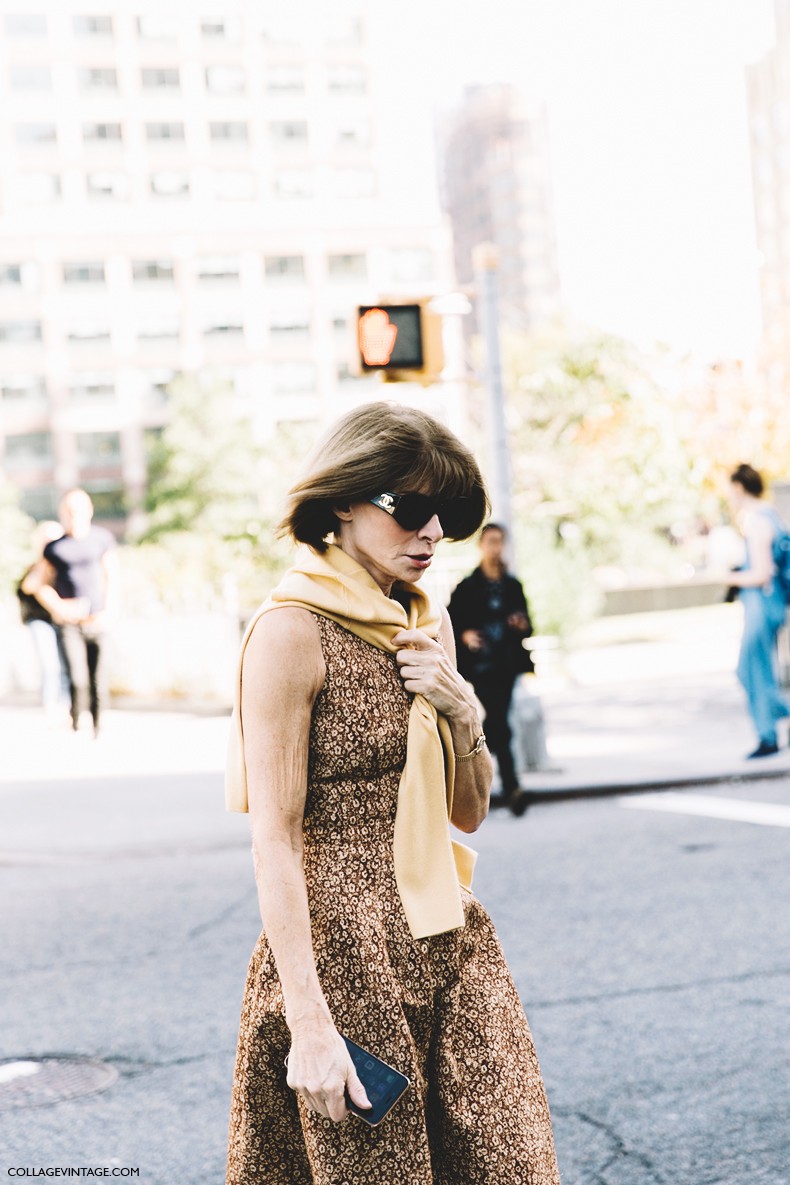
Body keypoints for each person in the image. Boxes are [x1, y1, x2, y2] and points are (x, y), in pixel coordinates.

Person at [225, 403, 560, 1185]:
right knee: (381, 1170)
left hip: (446, 931)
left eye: (445, 515)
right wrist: (309, 1022)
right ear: (343, 500)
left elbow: (467, 810)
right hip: (340, 953)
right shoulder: (290, 632)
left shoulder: (426, 622)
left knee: (509, 1159)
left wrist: (460, 704)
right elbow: (274, 835)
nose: (433, 532)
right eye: (411, 509)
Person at [447, 522, 534, 816]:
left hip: (506, 664)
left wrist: (520, 624)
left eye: (500, 541)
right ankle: (510, 787)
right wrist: (465, 635)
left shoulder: (512, 585)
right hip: (481, 666)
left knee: (497, 722)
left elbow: (528, 625)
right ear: (481, 545)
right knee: (499, 722)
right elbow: (450, 621)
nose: (495, 547)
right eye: (490, 541)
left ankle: (490, 784)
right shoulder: (468, 586)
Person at [22, 489, 119, 737]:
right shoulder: (54, 547)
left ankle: (98, 728)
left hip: (97, 619)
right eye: (69, 510)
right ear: (63, 513)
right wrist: (59, 607)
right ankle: (76, 725)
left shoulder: (102, 538)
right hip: (69, 623)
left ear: (89, 510)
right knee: (76, 677)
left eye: (79, 509)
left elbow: (113, 576)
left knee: (98, 678)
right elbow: (36, 585)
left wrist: (108, 611)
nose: (74, 515)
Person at [725, 463, 790, 758]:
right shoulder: (770, 515)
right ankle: (768, 733)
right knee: (756, 670)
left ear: (739, 488)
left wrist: (728, 577)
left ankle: (768, 734)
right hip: (769, 603)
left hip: (762, 604)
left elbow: (761, 573)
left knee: (751, 670)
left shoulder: (757, 521)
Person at [17, 520, 69, 722]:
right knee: (50, 664)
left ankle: (66, 705)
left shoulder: (65, 564)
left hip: (63, 620)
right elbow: (29, 587)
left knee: (65, 664)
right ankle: (50, 706)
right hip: (39, 620)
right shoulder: (35, 565)